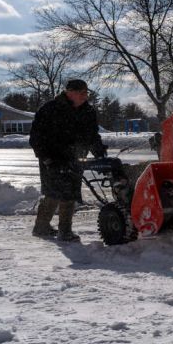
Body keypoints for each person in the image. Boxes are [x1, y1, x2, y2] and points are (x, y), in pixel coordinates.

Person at [29, 79, 107, 242]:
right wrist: (46, 158)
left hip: (75, 158)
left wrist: (99, 152)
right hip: (53, 158)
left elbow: (92, 135)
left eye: (87, 93)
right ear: (69, 92)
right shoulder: (50, 109)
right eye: (82, 93)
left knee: (69, 192)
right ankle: (63, 231)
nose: (85, 96)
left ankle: (43, 227)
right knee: (55, 192)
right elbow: (36, 137)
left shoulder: (88, 112)